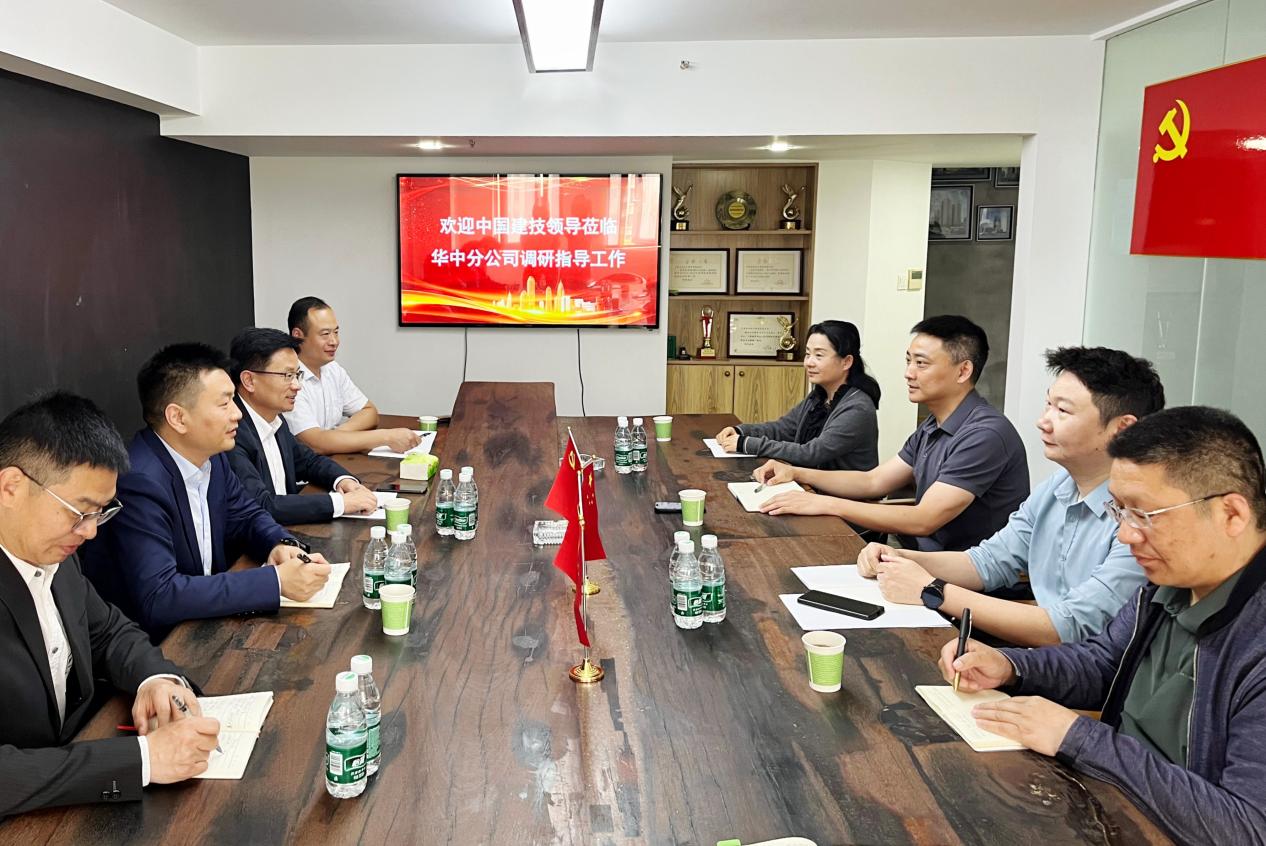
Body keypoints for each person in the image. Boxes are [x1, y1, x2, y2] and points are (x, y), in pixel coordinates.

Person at [940, 406, 1266, 843]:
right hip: (1110, 801)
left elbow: (1246, 827)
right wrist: (1011, 666)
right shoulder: (1167, 585)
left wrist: (1079, 737)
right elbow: (1105, 663)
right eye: (1121, 511)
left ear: (1232, 515)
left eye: (1145, 515)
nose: (1127, 535)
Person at [0, 393, 221, 815]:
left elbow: (108, 632)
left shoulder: (53, 552)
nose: (90, 532)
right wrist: (143, 760)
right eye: (79, 511)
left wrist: (155, 680)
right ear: (11, 486)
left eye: (101, 512)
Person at [858, 347, 1163, 646]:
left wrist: (932, 590)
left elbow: (1071, 626)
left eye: (1063, 411)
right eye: (1048, 405)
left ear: (1122, 428)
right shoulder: (1059, 485)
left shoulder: (1143, 518)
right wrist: (901, 559)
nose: (1043, 421)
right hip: (1042, 654)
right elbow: (989, 561)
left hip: (1084, 667)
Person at [80, 343, 332, 640]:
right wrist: (274, 581)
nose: (237, 414)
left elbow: (247, 515)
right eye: (224, 404)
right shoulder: (139, 482)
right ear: (178, 418)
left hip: (205, 622)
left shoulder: (213, 457)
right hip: (160, 644)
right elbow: (160, 596)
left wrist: (279, 544)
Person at [754, 315, 1029, 551]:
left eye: (921, 363)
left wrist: (823, 503)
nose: (909, 373)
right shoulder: (932, 425)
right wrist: (796, 473)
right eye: (908, 361)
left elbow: (924, 520)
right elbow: (873, 481)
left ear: (963, 371)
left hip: (963, 574)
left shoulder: (984, 434)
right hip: (918, 555)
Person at [228, 328, 380, 524]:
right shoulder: (231, 433)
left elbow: (308, 461)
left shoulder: (274, 418)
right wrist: (340, 503)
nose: (297, 386)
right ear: (249, 381)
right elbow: (262, 506)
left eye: (296, 374)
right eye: (287, 375)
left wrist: (344, 480)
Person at [714, 320, 880, 471]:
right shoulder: (819, 396)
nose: (808, 363)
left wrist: (746, 444)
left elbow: (811, 453)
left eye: (819, 355)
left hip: (841, 493)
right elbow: (783, 429)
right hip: (810, 484)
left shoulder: (857, 408)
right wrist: (741, 431)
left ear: (846, 362)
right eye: (808, 354)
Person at [283, 296, 422, 456]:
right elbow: (315, 443)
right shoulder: (288, 378)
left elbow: (369, 412)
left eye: (336, 332)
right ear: (298, 335)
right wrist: (386, 437)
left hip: (332, 460)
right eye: (325, 334)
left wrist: (337, 435)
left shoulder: (332, 370)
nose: (334, 341)